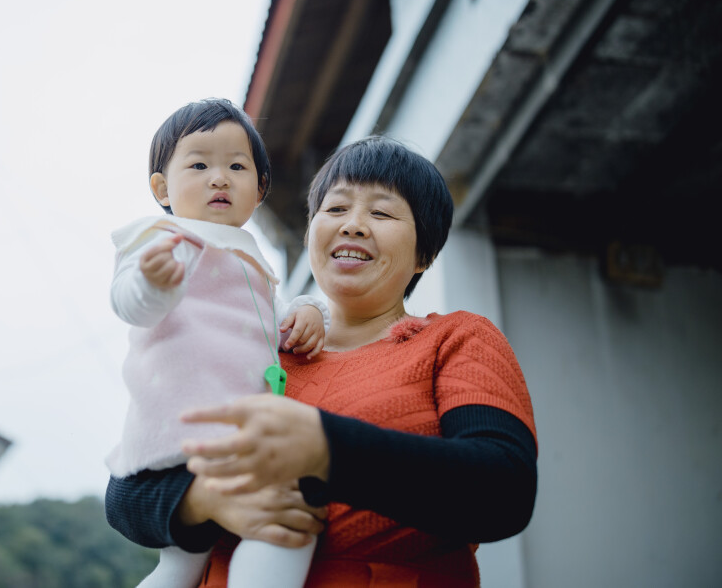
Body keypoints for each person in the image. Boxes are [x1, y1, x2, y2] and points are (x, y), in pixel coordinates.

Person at [106, 136, 538, 587]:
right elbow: (127, 490)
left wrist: (326, 448)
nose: (352, 225)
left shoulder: (456, 339)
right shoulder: (257, 345)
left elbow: (503, 490)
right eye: (335, 210)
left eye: (382, 213)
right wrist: (205, 502)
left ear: (424, 255)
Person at [107, 98, 330, 588]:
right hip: (183, 423)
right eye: (200, 164)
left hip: (228, 429)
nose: (219, 177)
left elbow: (272, 316)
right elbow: (129, 304)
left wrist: (309, 310)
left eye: (236, 166)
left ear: (260, 189)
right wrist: (153, 283)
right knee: (284, 520)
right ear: (162, 188)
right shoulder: (161, 238)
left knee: (181, 566)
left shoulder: (251, 259)